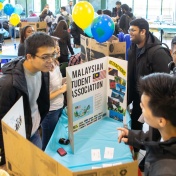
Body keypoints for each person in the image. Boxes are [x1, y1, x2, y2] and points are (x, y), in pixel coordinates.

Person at [0, 32, 56, 166]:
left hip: (35, 130)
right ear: (29, 56)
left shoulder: (43, 71)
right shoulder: (9, 84)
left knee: (36, 166)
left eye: (53, 55)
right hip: (18, 138)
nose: (51, 61)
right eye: (45, 57)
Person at [127, 18, 172, 163]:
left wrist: (152, 105)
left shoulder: (158, 53)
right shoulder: (133, 47)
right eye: (129, 30)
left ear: (143, 31)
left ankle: (152, 156)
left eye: (133, 30)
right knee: (135, 124)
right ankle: (135, 153)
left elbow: (164, 85)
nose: (130, 33)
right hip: (137, 98)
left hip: (153, 103)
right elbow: (131, 74)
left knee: (154, 132)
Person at [118, 73, 176, 176]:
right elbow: (153, 139)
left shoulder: (166, 171)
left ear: (161, 121)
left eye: (143, 107)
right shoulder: (164, 130)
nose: (140, 107)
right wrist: (132, 136)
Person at [41, 38, 67, 150]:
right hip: (50, 112)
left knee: (56, 138)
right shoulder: (43, 71)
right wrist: (62, 90)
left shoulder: (55, 64)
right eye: (56, 46)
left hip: (59, 107)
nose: (59, 48)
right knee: (48, 144)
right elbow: (43, 97)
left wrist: (67, 79)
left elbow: (57, 83)